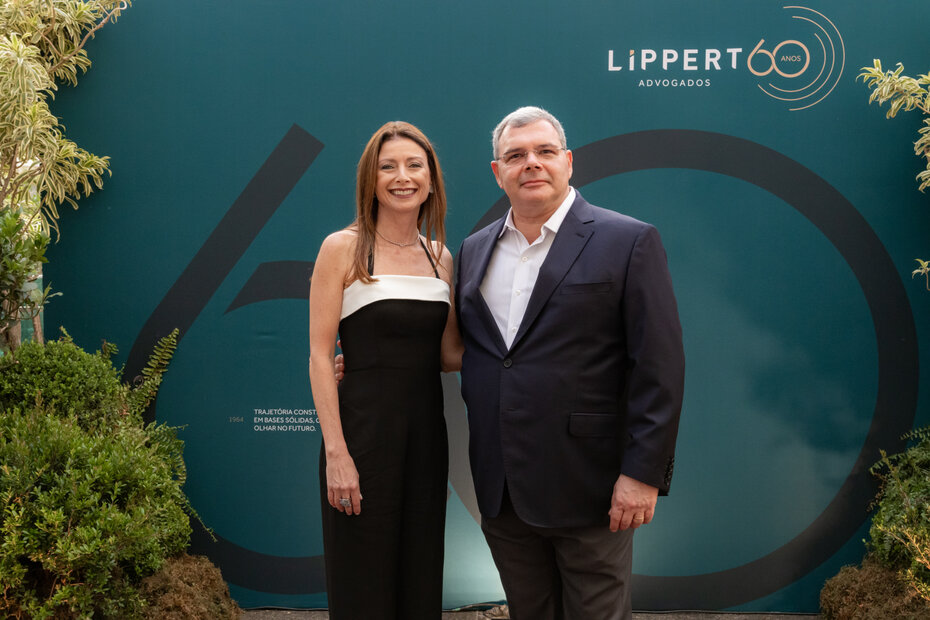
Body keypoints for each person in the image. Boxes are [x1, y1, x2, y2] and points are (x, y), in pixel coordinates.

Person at [455, 106, 685, 620]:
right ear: (498, 172)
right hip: (502, 487)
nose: (530, 163)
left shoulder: (628, 240)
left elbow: (659, 365)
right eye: (515, 156)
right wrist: (363, 359)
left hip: (593, 487)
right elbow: (462, 347)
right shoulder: (473, 250)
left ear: (569, 162)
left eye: (544, 152)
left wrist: (643, 473)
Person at [308, 121, 462, 619]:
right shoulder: (342, 248)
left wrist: (535, 346)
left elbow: (449, 355)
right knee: (363, 581)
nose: (402, 176)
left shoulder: (441, 258)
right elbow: (317, 354)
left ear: (432, 180)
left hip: (425, 442)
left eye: (414, 165)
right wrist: (337, 454)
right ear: (369, 180)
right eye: (387, 166)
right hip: (361, 439)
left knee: (419, 578)